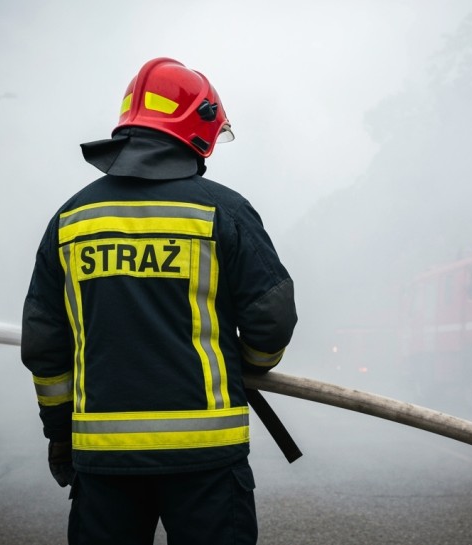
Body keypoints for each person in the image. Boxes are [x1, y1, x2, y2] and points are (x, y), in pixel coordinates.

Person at [21, 57, 297, 545]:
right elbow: (271, 316)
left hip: (103, 462)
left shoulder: (71, 220)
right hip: (206, 458)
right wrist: (249, 366)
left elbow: (45, 343)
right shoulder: (224, 211)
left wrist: (60, 432)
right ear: (200, 127)